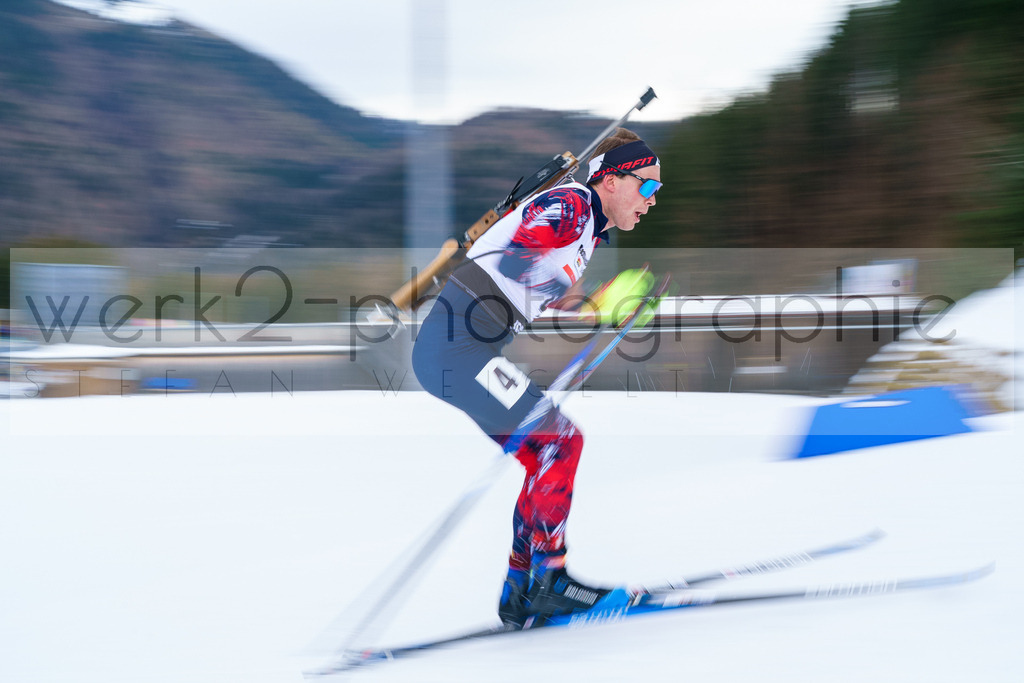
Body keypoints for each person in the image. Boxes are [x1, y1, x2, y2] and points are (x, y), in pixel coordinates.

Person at [411, 128, 662, 628]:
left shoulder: (585, 227)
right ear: (612, 180)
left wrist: (603, 305)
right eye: (648, 186)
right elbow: (517, 260)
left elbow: (531, 283)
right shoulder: (572, 204)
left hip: (465, 348)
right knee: (560, 442)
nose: (652, 200)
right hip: (456, 348)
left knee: (544, 454)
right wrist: (598, 301)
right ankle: (550, 579)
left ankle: (521, 588)